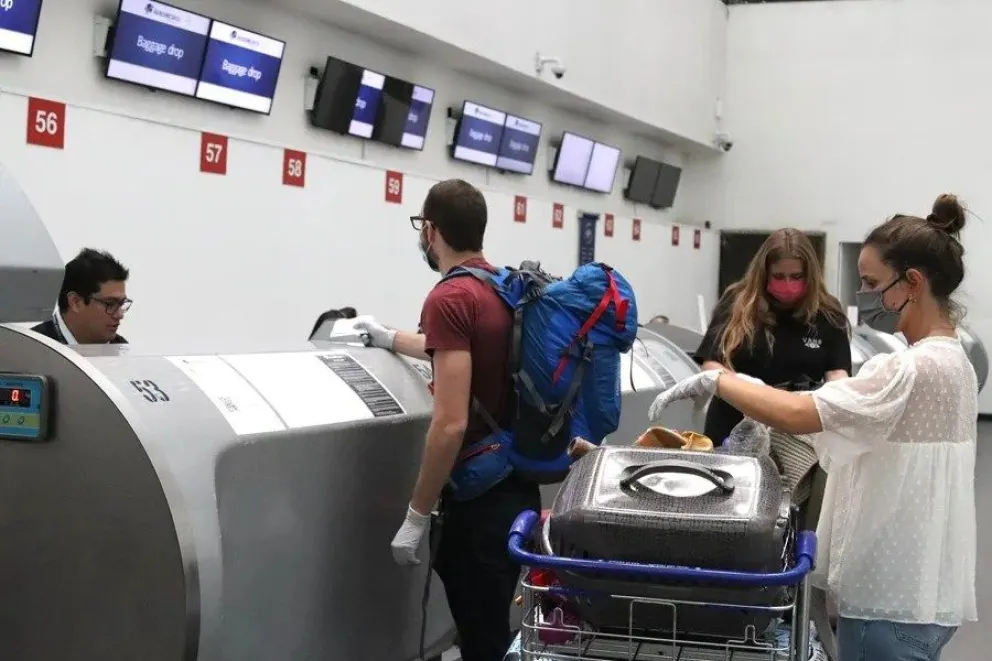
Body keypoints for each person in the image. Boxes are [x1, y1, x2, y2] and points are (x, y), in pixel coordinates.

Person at [649, 194, 977, 661]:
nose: (867, 297)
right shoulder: (957, 364)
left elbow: (800, 414)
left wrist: (718, 380)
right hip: (925, 598)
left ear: (913, 282)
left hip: (885, 604)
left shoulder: (907, 370)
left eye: (872, 283)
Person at [354, 179, 541, 661]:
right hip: (516, 481)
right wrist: (391, 338)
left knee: (482, 642)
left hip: (478, 501)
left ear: (431, 230)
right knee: (492, 628)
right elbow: (458, 349)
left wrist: (416, 515)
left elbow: (451, 423)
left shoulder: (450, 298)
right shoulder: (501, 287)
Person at [695, 229, 851, 445]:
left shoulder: (827, 312)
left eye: (796, 277)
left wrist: (840, 405)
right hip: (733, 425)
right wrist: (746, 389)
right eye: (778, 276)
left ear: (810, 275)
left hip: (797, 433)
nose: (787, 284)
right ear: (764, 273)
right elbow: (712, 363)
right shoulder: (737, 303)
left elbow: (837, 373)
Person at [31, 248, 131, 345]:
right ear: (75, 302)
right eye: (110, 304)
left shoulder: (123, 350)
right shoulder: (29, 349)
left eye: (121, 304)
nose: (120, 315)